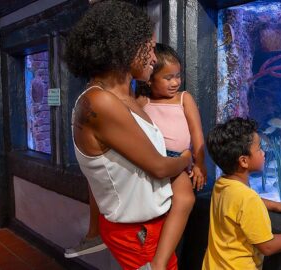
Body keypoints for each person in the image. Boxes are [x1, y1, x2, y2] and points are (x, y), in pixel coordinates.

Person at [64, 1, 191, 269]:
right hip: (138, 233)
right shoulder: (101, 102)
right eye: (149, 49)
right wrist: (186, 159)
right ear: (126, 47)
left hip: (151, 230)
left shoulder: (125, 97)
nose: (154, 59)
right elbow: (158, 166)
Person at [202, 117, 281, 270]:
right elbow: (268, 247)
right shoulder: (248, 199)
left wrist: (275, 205)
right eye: (259, 149)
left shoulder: (222, 184)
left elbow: (238, 205)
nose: (263, 153)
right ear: (243, 161)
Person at [135, 44, 207, 268]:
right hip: (150, 159)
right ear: (149, 79)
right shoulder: (143, 102)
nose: (175, 82)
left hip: (178, 160)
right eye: (168, 78)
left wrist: (200, 164)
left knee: (185, 198)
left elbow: (197, 134)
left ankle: (159, 262)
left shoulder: (184, 99)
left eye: (177, 76)